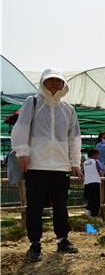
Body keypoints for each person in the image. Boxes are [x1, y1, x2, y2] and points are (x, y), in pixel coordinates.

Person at [10, 69, 82, 262]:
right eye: (50, 80)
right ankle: (35, 243)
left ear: (63, 85)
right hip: (37, 164)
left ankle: (62, 239)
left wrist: (75, 162)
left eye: (58, 81)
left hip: (60, 166)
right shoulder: (32, 103)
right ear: (43, 83)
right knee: (35, 206)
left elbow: (74, 138)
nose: (54, 84)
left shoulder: (68, 109)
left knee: (61, 204)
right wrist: (22, 153)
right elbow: (21, 128)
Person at [83, 149, 102, 217]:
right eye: (98, 154)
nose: (98, 156)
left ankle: (88, 212)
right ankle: (95, 215)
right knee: (96, 200)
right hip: (95, 182)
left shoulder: (85, 162)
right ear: (94, 155)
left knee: (90, 199)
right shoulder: (96, 161)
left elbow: (84, 172)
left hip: (87, 183)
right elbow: (100, 171)